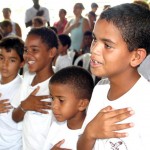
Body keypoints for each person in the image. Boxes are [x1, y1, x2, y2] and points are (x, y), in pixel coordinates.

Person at [77, 3, 150, 150]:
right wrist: (90, 132)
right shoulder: (100, 90)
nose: (94, 49)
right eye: (94, 39)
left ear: (136, 56)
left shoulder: (145, 105)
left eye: (107, 45)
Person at [11, 27, 58, 150]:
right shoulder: (27, 78)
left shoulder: (59, 86)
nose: (27, 55)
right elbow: (15, 117)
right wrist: (24, 106)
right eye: (26, 50)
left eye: (34, 50)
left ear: (51, 52)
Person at [43, 66, 94, 150]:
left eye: (61, 100)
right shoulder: (56, 126)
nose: (54, 106)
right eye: (52, 98)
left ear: (82, 104)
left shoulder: (91, 134)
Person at [0, 36, 24, 150]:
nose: (5, 64)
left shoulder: (22, 89)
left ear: (22, 63)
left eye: (12, 60)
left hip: (12, 146)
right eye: (1, 58)